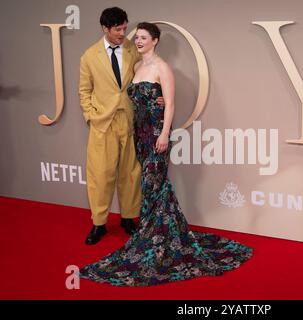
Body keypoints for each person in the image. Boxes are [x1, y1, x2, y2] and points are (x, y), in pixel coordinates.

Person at [79, 22, 253, 286]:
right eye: (136, 37)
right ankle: (156, 233)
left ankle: (156, 237)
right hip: (139, 134)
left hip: (156, 135)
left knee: (153, 183)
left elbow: (170, 104)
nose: (137, 41)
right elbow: (136, 100)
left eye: (143, 37)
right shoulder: (136, 67)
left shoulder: (162, 67)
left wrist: (163, 134)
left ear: (155, 40)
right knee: (152, 187)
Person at [79, 7, 163, 245]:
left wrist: (160, 94)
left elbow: (148, 72)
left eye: (125, 28)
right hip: (102, 124)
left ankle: (128, 218)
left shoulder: (131, 49)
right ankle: (99, 223)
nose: (123, 33)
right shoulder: (89, 56)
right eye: (118, 29)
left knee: (130, 174)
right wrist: (90, 115)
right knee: (100, 175)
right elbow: (84, 90)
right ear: (105, 28)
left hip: (130, 120)